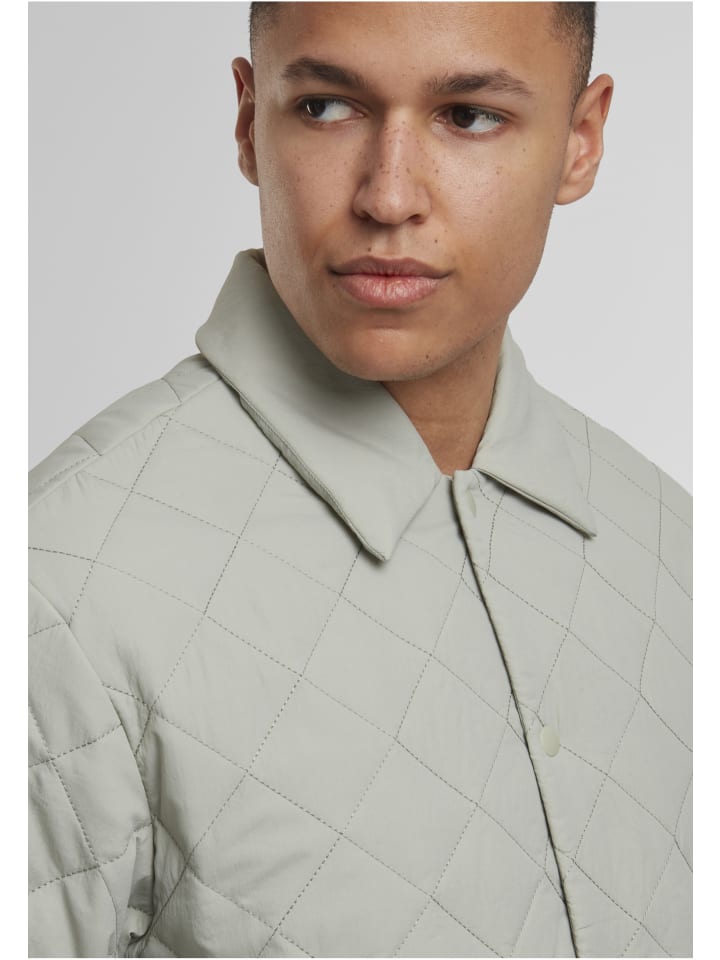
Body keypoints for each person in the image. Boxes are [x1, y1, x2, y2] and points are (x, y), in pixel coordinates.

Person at [28, 2, 692, 957]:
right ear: (248, 121)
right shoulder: (59, 580)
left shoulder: (675, 546)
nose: (388, 196)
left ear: (581, 142)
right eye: (328, 108)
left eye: (469, 116)